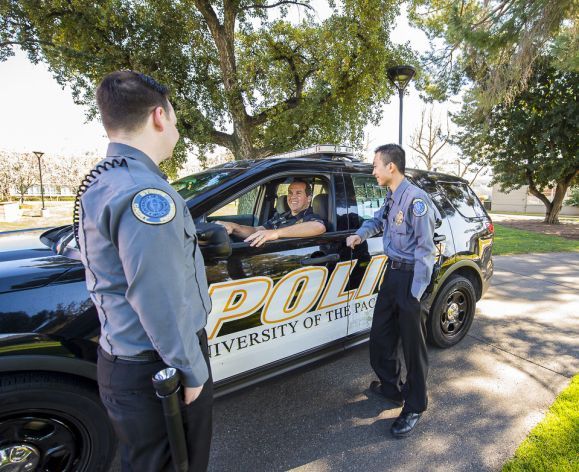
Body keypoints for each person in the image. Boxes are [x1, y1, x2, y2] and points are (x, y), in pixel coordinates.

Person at [76, 71, 212, 471]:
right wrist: (190, 370)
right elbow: (160, 299)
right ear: (158, 116)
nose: (175, 128)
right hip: (159, 366)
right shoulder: (145, 193)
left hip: (129, 360)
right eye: (174, 117)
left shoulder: (106, 179)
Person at [346, 144, 438, 437]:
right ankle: (391, 388)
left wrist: (416, 293)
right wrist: (360, 235)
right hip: (393, 274)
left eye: (375, 166)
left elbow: (426, 250)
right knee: (381, 337)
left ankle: (414, 405)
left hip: (412, 278)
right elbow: (377, 221)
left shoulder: (416, 200)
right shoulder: (391, 197)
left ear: (391, 167)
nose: (373, 171)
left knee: (413, 348)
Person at [217, 179, 326, 247]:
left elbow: (318, 227)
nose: (292, 197)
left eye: (298, 193)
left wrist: (275, 233)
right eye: (290, 193)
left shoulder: (311, 216)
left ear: (308, 198)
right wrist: (235, 227)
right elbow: (257, 230)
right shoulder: (281, 216)